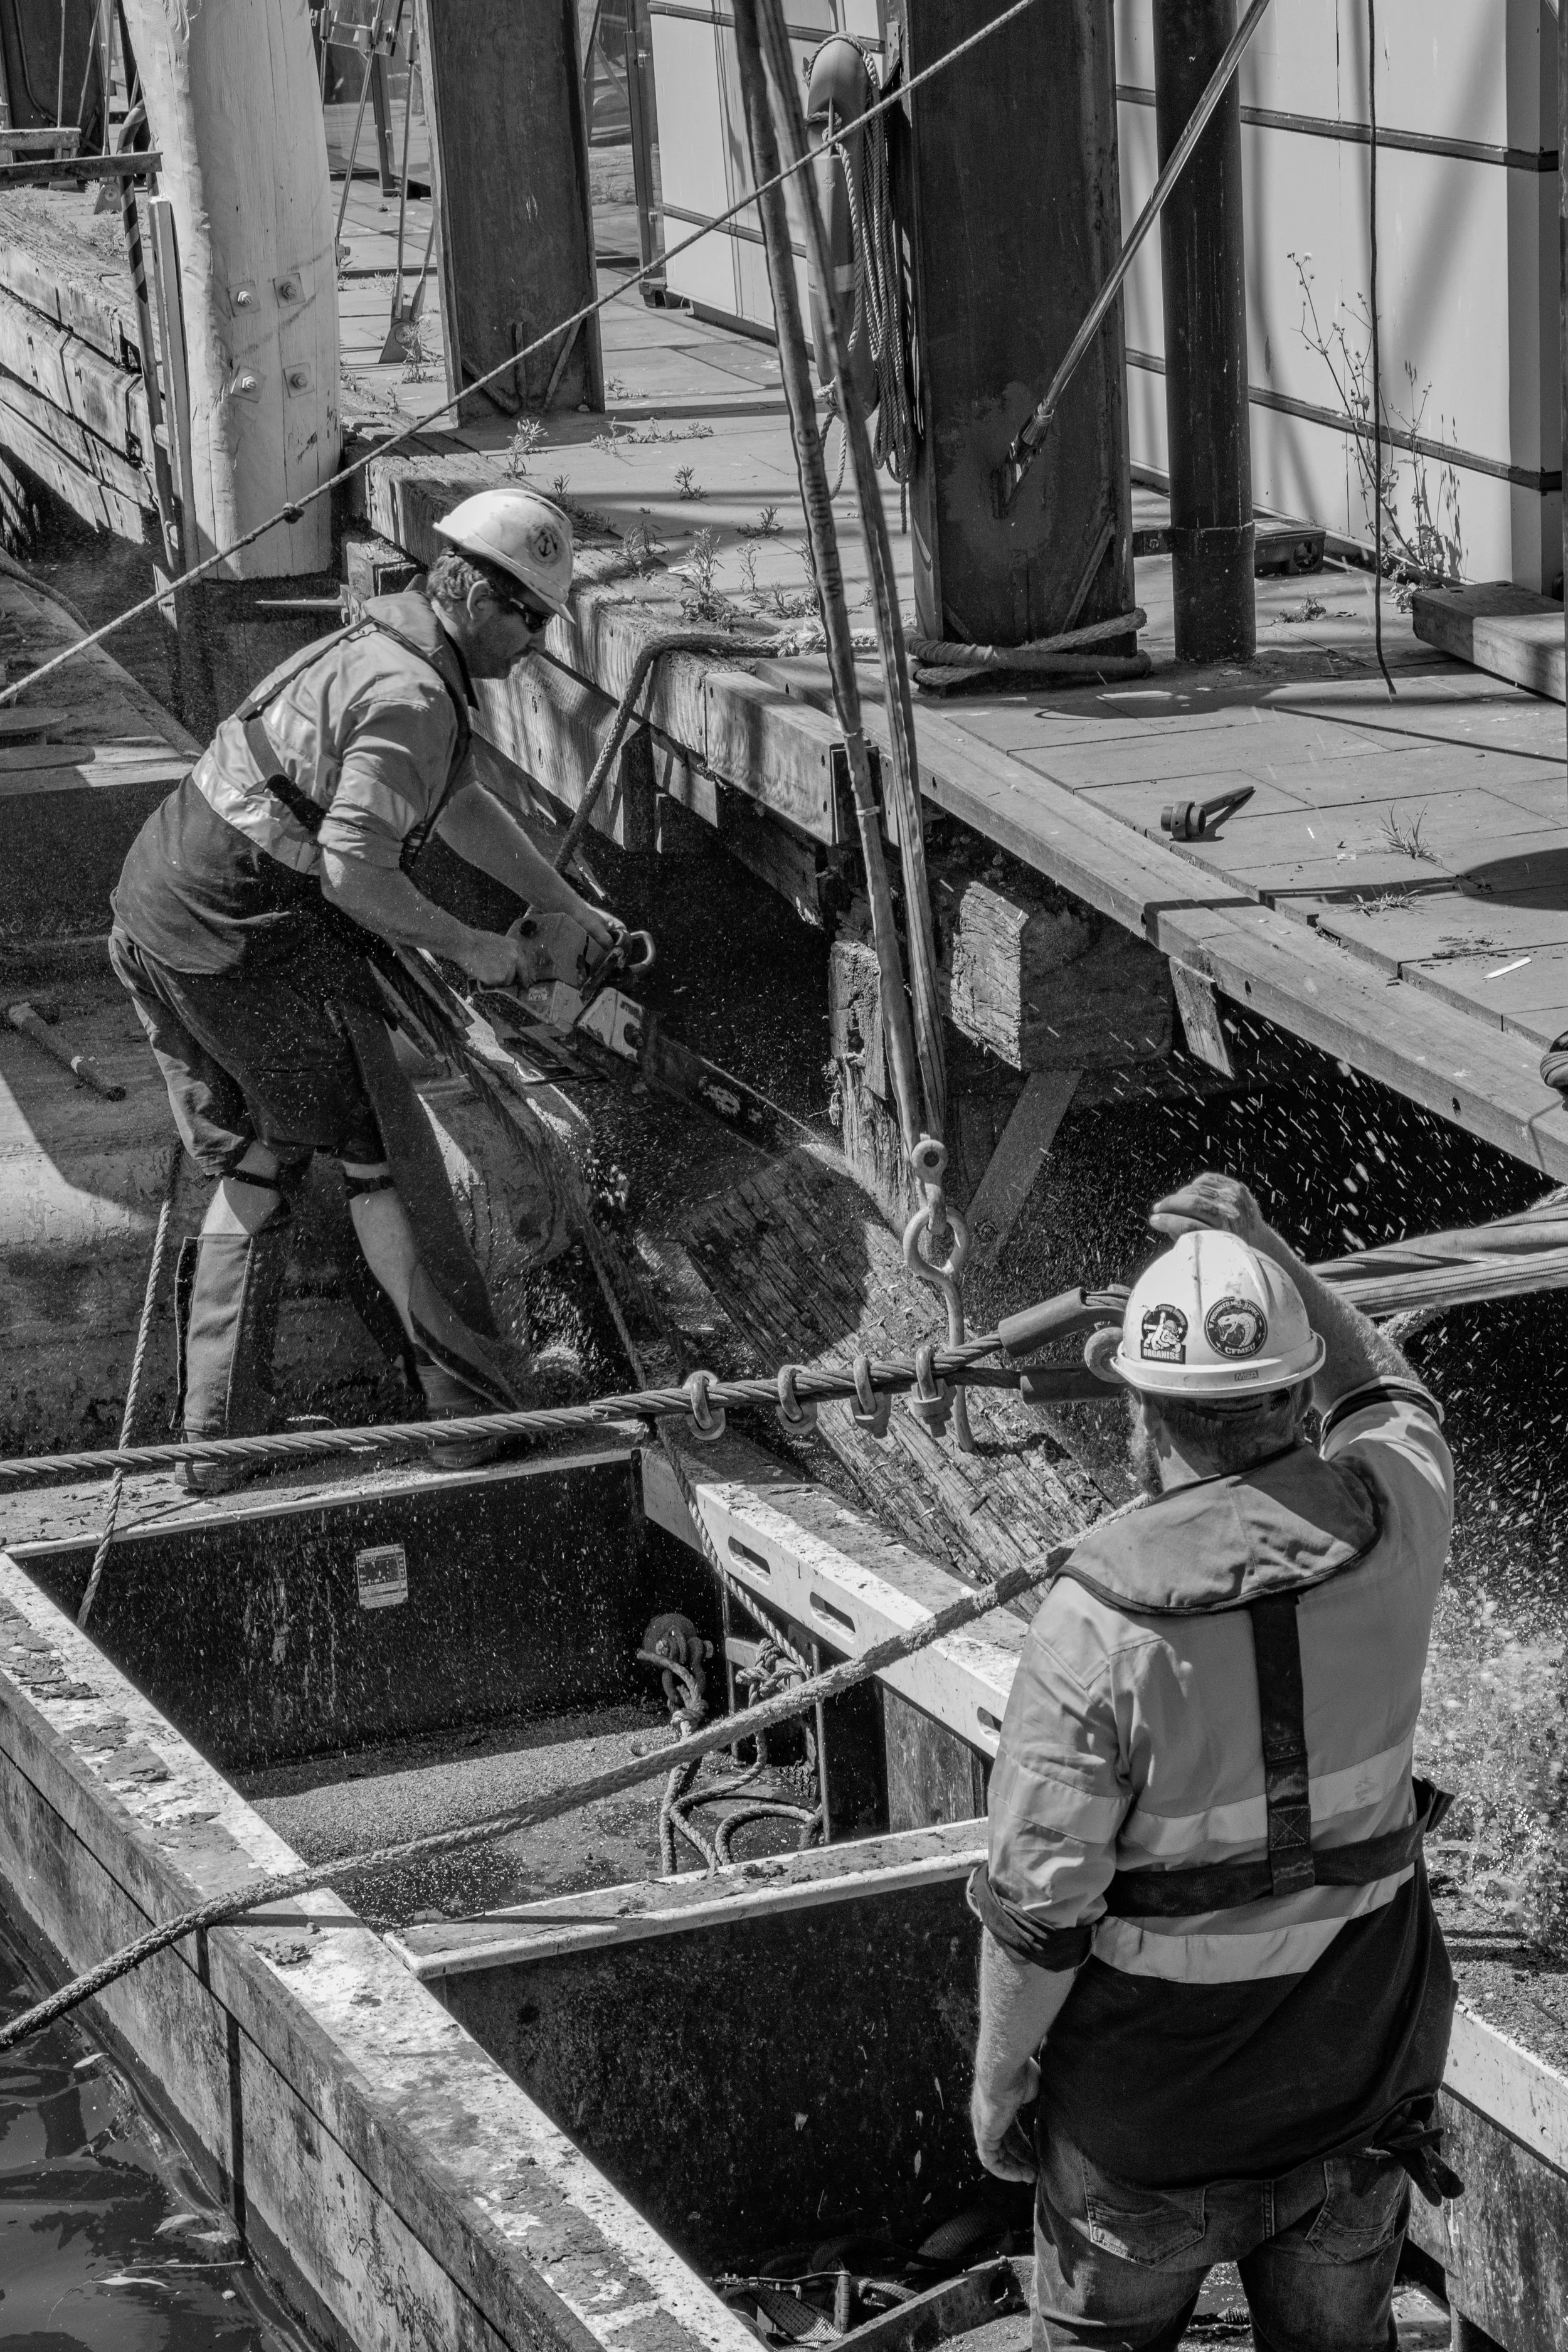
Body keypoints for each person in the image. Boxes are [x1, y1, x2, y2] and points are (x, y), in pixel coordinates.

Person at [970, 1170, 1459, 2351]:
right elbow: (1391, 1388)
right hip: (1351, 2088)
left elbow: (1041, 1918)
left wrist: (999, 2086)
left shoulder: (1094, 1627)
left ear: (1141, 1411)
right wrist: (1264, 1244)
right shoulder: (1400, 1524)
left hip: (1151, 2127)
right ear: (1297, 1399)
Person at [109, 487, 619, 1486]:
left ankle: (217, 1447)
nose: (537, 639)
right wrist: (480, 949)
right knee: (382, 1151)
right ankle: (468, 1417)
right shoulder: (416, 695)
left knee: (257, 1158)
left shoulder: (389, 651)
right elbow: (352, 872)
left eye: (547, 619)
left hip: (157, 912)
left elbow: (457, 803)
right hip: (235, 937)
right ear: (467, 586)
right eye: (528, 613)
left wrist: (565, 902)